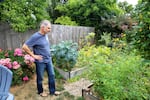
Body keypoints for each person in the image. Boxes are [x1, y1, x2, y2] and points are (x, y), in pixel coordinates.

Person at [22, 20, 60, 97]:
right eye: (48, 28)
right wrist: (33, 55)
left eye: (50, 28)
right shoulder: (35, 36)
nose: (50, 30)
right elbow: (24, 46)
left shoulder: (45, 35)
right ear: (43, 27)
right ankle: (41, 91)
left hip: (48, 59)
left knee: (52, 75)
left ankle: (52, 91)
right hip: (41, 61)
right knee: (40, 77)